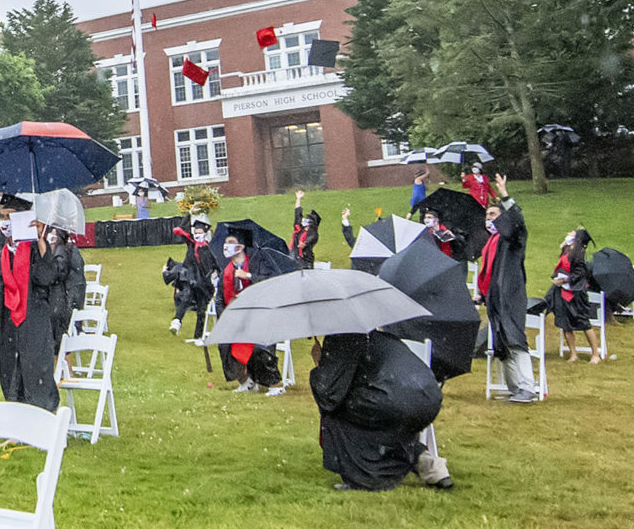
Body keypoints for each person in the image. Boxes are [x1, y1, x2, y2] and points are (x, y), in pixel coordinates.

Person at [310, 332, 450, 490]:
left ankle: (367, 478)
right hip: (428, 399)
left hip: (394, 403)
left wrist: (319, 362)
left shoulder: (342, 339)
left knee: (338, 411)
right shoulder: (383, 338)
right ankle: (431, 466)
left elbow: (328, 393)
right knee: (386, 423)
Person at [0, 194, 61, 411]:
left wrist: (41, 240)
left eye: (10, 217)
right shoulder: (1, 256)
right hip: (9, 327)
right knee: (10, 371)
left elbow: (47, 278)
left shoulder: (35, 250)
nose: (5, 222)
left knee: (35, 372)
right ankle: (16, 422)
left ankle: (44, 422)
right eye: (3, 217)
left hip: (34, 323)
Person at [477, 195, 540, 402]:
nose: (489, 219)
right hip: (495, 299)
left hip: (510, 297)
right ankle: (515, 388)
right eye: (487, 215)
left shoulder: (513, 241)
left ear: (504, 218)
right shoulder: (492, 243)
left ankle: (528, 387)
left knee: (515, 341)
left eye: (493, 215)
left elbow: (518, 224)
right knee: (502, 345)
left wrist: (505, 198)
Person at [215, 233, 285, 393]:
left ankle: (273, 384)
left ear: (240, 247)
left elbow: (270, 283)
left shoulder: (256, 264)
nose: (226, 247)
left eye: (231, 243)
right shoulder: (226, 272)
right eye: (225, 243)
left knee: (259, 346)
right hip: (236, 319)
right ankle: (245, 381)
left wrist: (248, 276)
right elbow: (219, 298)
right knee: (224, 345)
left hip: (260, 316)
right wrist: (224, 317)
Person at [544, 227, 607, 362]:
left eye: (573, 233)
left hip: (576, 293)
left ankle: (595, 354)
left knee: (584, 323)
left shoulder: (579, 254)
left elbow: (580, 274)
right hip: (562, 291)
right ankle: (573, 354)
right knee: (565, 324)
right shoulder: (568, 250)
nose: (569, 233)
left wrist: (565, 280)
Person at [289, 192, 323, 268]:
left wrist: (303, 244)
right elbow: (297, 214)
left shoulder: (313, 234)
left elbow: (309, 240)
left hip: (305, 261)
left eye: (308, 220)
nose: (304, 220)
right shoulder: (299, 229)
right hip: (293, 256)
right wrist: (298, 198)